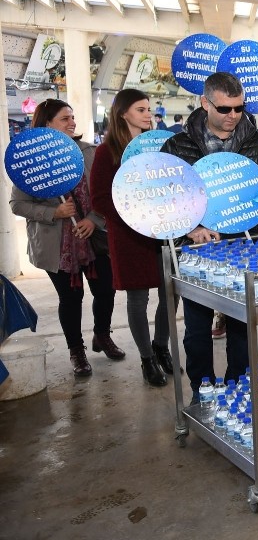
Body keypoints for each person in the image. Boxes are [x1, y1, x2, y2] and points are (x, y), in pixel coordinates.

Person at [161, 72, 258, 401]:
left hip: (245, 247)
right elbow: (164, 200)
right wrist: (190, 228)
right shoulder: (178, 145)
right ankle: (203, 390)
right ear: (205, 103)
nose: (233, 116)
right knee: (197, 329)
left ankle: (239, 386)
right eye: (225, 109)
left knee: (242, 325)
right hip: (198, 255)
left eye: (239, 108)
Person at [10, 99, 121, 377]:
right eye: (64, 118)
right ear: (47, 124)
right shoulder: (31, 160)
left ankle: (102, 335)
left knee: (106, 290)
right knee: (71, 299)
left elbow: (108, 193)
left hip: (94, 240)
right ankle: (77, 350)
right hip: (57, 246)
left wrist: (93, 220)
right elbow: (17, 204)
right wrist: (54, 212)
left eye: (72, 117)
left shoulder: (89, 153)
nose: (72, 122)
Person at [90, 88, 176, 387]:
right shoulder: (106, 151)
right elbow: (99, 198)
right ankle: (146, 359)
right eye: (141, 109)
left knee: (170, 293)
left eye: (148, 108)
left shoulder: (159, 147)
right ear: (123, 113)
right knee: (138, 298)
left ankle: (161, 346)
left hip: (163, 232)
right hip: (128, 235)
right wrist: (134, 214)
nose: (148, 113)